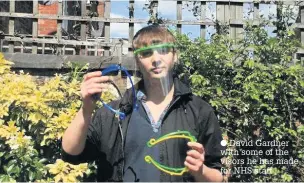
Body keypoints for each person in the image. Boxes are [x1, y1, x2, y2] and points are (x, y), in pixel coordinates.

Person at [61, 24, 225, 182]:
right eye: (146, 53)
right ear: (138, 61)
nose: (155, 59)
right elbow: (71, 153)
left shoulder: (199, 111)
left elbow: (218, 176)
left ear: (175, 56)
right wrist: (86, 109)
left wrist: (200, 171)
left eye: (163, 50)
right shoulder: (112, 113)